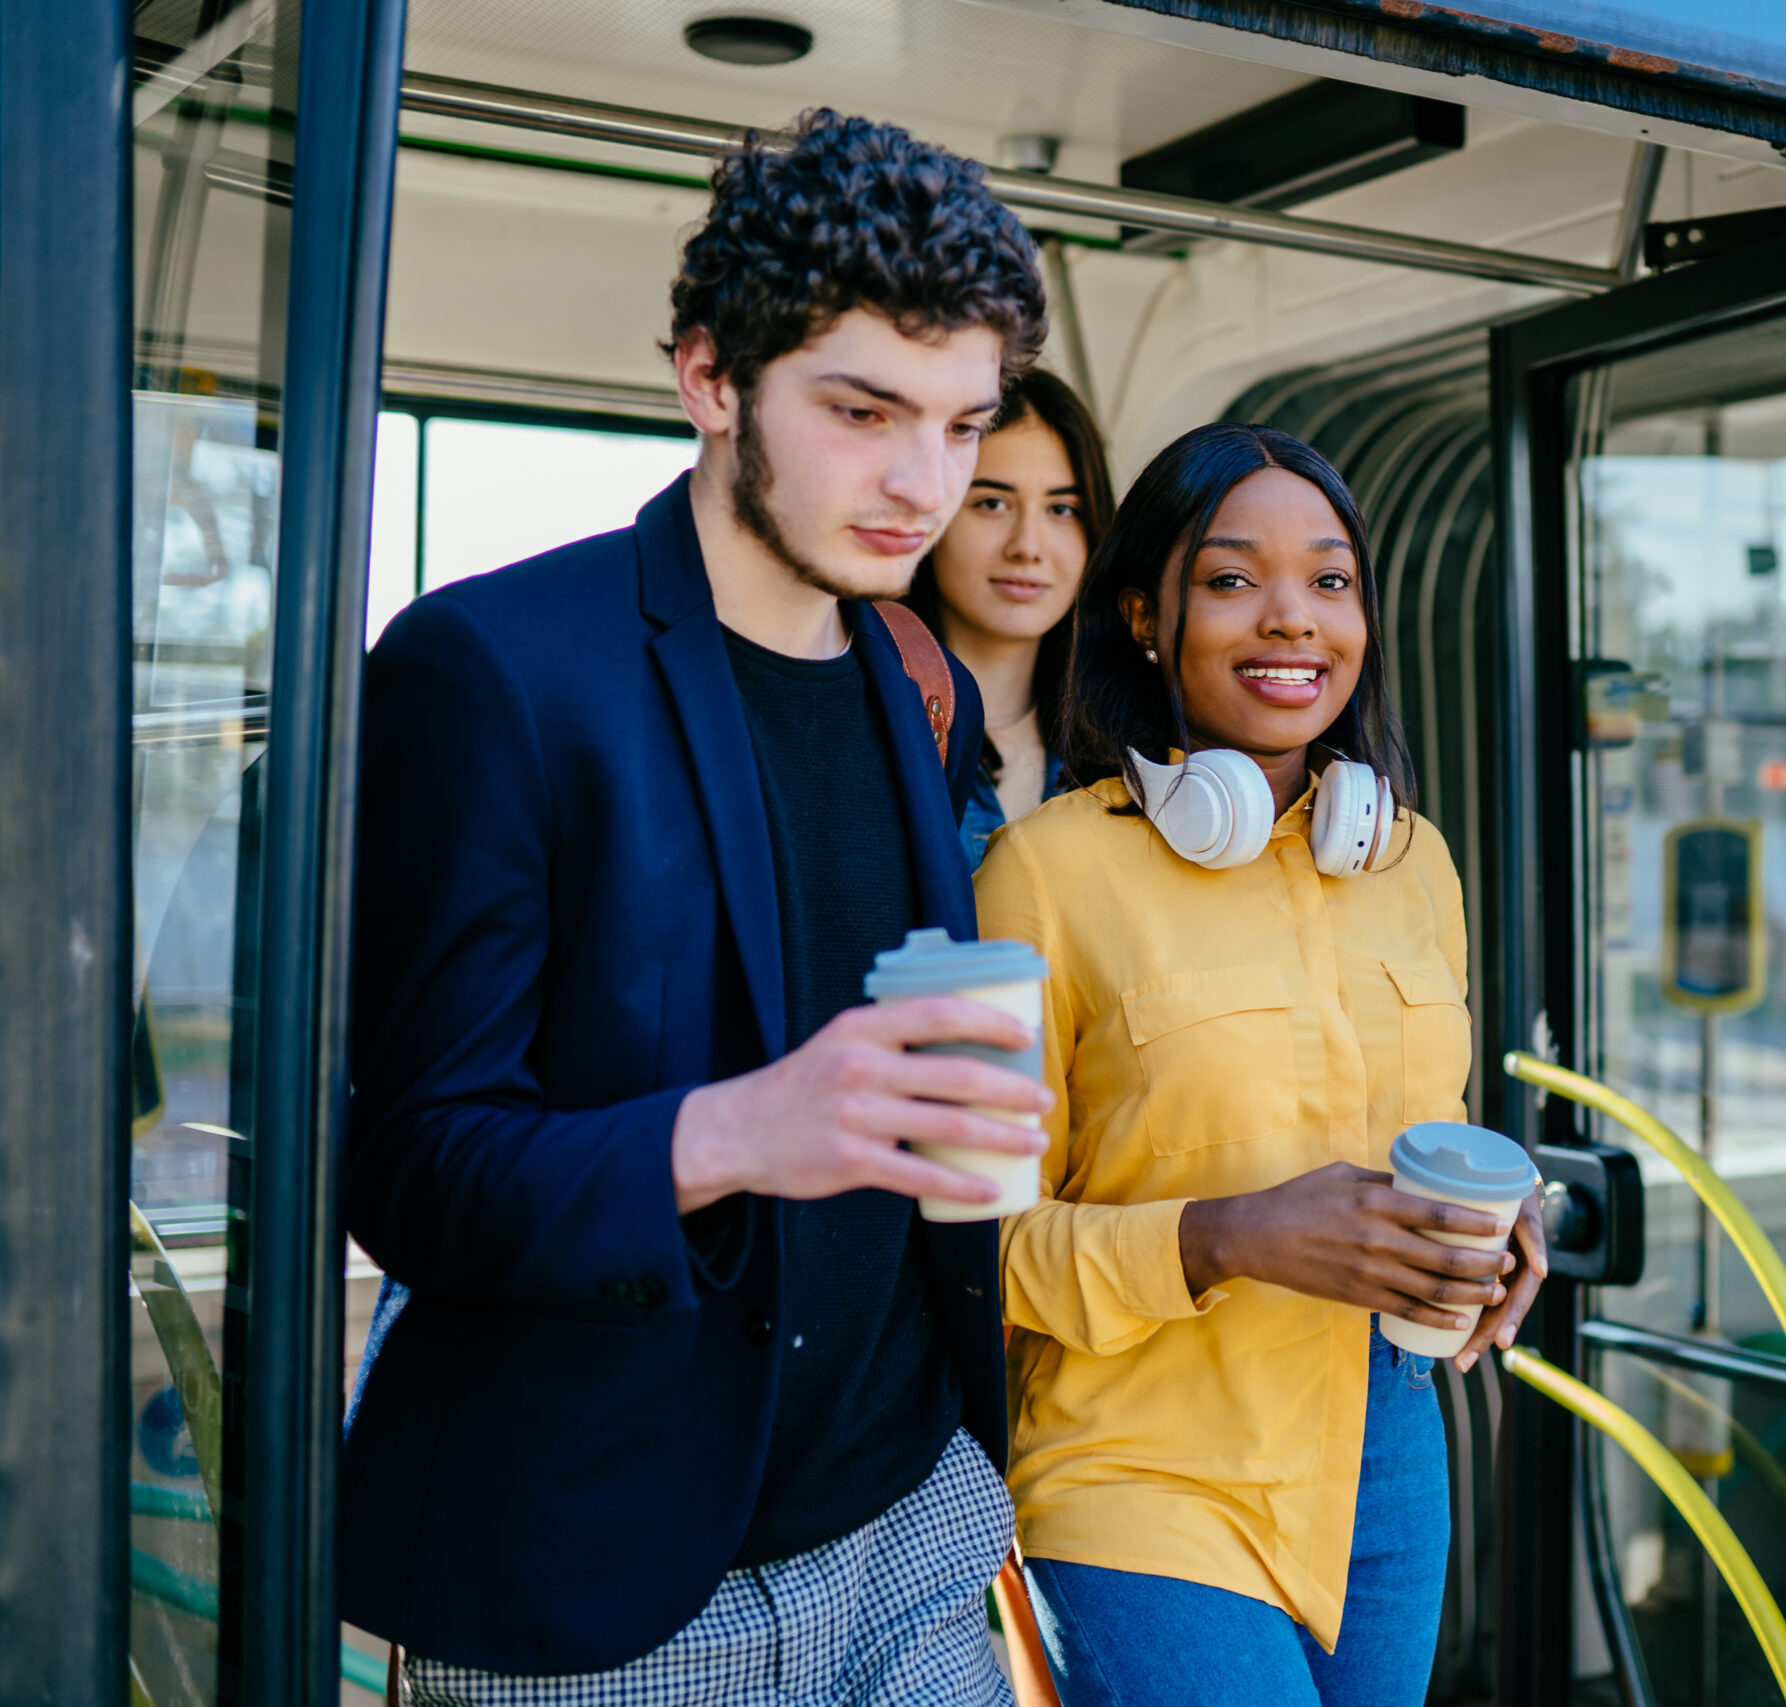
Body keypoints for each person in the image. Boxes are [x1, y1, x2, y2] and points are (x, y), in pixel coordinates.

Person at [340, 112, 1054, 1706]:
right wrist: (734, 1133)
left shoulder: (915, 680)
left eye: (961, 424)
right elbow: (404, 1168)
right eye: (864, 411)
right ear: (712, 378)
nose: (922, 484)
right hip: (609, 1580)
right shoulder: (493, 671)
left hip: (913, 1523)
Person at [972, 423, 1549, 1707]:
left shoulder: (1415, 864)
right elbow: (971, 1250)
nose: (1292, 620)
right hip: (1142, 1469)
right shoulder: (1042, 875)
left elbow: (1435, 1141)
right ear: (1141, 616)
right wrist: (1222, 1236)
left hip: (1387, 1453)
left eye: (1329, 580)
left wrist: (1507, 1236)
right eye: (1232, 580)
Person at [902, 367, 1113, 867]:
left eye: (1061, 509)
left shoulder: (1127, 747)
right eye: (993, 503)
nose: (1028, 547)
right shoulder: (868, 728)